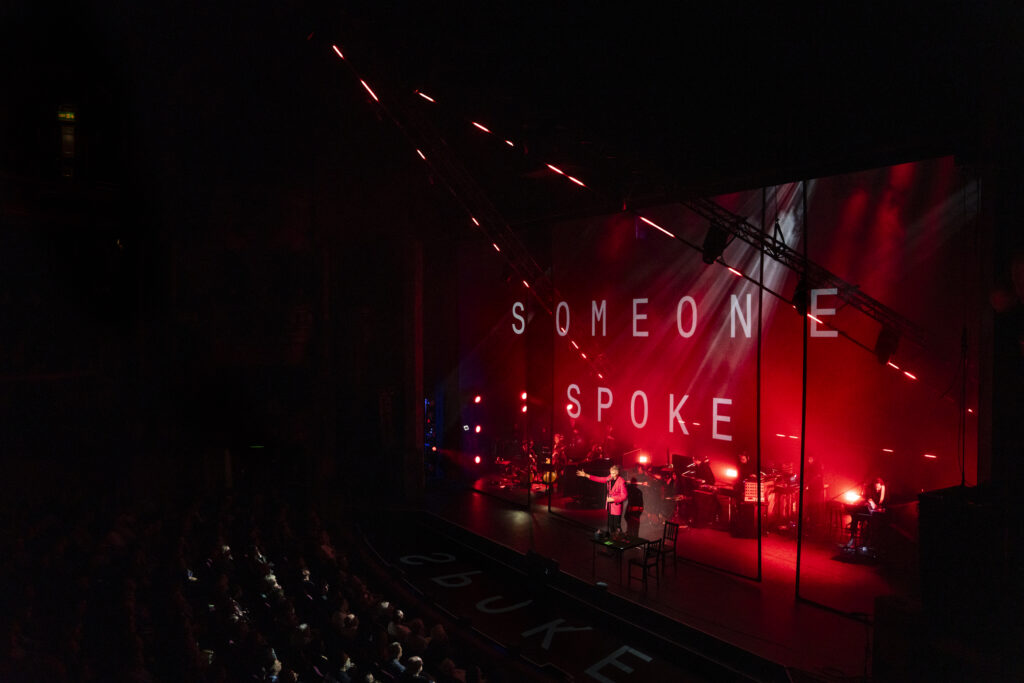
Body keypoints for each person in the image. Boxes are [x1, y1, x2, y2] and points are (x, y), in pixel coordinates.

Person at [577, 464, 628, 534]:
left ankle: (618, 541)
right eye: (610, 473)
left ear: (617, 473)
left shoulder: (621, 481)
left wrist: (613, 499)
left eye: (613, 473)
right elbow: (600, 479)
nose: (611, 475)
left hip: (616, 507)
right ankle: (612, 540)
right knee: (610, 526)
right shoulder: (610, 478)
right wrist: (586, 475)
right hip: (610, 507)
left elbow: (624, 496)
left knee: (616, 526)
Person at [845, 477, 887, 548]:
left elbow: (882, 503)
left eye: (878, 488)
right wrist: (870, 502)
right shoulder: (870, 488)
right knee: (854, 518)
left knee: (871, 523)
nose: (877, 489)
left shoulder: (883, 490)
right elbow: (868, 498)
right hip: (867, 509)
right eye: (875, 487)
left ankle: (868, 542)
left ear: (881, 486)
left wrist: (878, 506)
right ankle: (852, 539)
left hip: (876, 512)